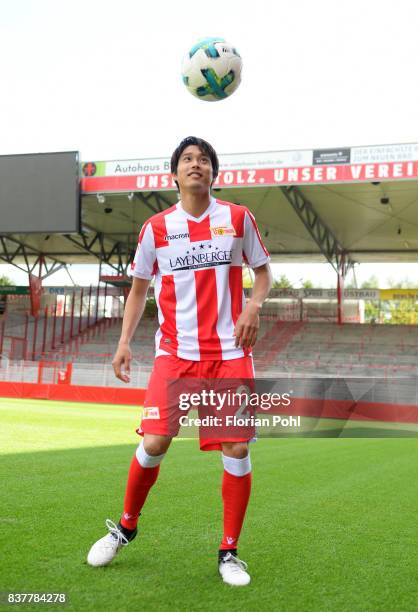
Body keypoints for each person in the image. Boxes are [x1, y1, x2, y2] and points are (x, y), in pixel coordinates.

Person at [87, 136, 272, 586]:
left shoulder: (237, 218)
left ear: (214, 172)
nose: (196, 164)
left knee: (237, 448)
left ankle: (229, 552)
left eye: (203, 159)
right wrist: (124, 341)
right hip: (176, 354)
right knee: (154, 444)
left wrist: (253, 305)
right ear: (175, 174)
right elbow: (138, 290)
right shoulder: (155, 229)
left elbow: (262, 272)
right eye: (188, 159)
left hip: (229, 354)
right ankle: (126, 526)